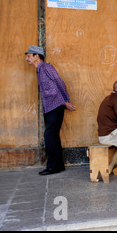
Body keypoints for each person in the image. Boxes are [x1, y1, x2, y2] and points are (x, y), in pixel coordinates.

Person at [25, 45, 76, 175]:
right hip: (48, 107)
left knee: (49, 136)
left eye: (29, 56)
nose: (27, 59)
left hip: (56, 105)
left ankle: (53, 167)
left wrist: (66, 101)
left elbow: (60, 82)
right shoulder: (38, 70)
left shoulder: (47, 67)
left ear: (37, 56)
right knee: (52, 136)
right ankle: (58, 166)